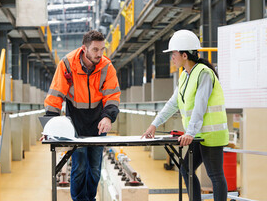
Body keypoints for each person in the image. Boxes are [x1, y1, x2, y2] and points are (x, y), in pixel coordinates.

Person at [141, 30, 229, 201]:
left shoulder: (203, 73)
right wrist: (154, 124)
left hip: (210, 134)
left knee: (215, 175)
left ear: (184, 54)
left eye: (173, 53)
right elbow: (173, 103)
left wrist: (190, 132)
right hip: (197, 134)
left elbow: (200, 106)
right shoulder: (184, 76)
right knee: (186, 169)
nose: (172, 57)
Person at [44, 30, 121, 201]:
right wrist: (49, 126)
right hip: (75, 122)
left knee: (94, 167)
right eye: (95, 49)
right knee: (79, 166)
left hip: (98, 121)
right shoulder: (67, 64)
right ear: (84, 48)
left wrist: (108, 117)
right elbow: (55, 95)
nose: (99, 54)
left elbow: (112, 96)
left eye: (102, 49)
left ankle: (90, 198)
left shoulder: (107, 67)